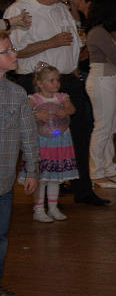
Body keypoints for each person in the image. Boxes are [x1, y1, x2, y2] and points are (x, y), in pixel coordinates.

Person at [4, 0, 108, 207]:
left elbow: (71, 42)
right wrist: (49, 44)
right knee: (44, 137)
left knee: (80, 130)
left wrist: (74, 61)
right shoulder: (20, 10)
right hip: (37, 80)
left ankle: (82, 188)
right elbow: (15, 51)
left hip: (66, 78)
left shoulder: (61, 8)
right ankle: (46, 194)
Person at [0, 30, 38, 296]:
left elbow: (29, 134)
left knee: (1, 237)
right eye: (7, 51)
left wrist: (32, 170)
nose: (15, 54)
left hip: (3, 183)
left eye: (12, 49)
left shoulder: (17, 93)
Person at [85, 0, 116, 190]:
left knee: (112, 127)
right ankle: (96, 172)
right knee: (103, 127)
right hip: (101, 80)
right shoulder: (98, 32)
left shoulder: (110, 32)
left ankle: (109, 169)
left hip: (113, 79)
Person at [25, 64, 76, 222]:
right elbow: (24, 113)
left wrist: (65, 111)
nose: (56, 83)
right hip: (43, 142)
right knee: (41, 177)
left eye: (57, 80)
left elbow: (72, 109)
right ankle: (39, 209)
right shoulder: (33, 99)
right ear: (40, 83)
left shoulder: (62, 97)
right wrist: (36, 114)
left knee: (55, 177)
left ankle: (53, 207)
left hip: (59, 141)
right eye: (51, 80)